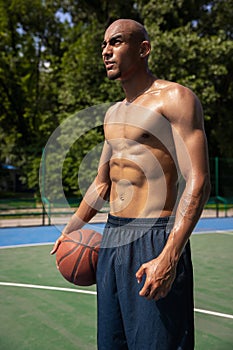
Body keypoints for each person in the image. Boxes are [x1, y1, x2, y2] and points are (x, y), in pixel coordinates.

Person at [51, 19, 211, 349]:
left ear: (144, 49)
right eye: (104, 45)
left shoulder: (175, 98)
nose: (106, 51)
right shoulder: (112, 114)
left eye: (117, 42)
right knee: (112, 343)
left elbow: (198, 181)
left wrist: (169, 255)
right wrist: (70, 229)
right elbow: (101, 183)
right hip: (113, 238)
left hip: (156, 236)